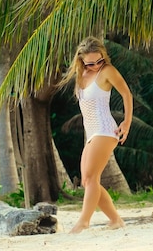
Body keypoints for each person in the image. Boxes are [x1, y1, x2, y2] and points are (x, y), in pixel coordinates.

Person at [57, 36, 133, 234]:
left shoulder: (107, 71)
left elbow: (126, 93)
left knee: (91, 178)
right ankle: (115, 220)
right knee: (88, 181)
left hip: (105, 129)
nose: (96, 65)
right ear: (81, 60)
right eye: (90, 63)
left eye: (99, 61)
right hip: (92, 132)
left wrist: (126, 121)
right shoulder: (81, 76)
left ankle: (84, 222)